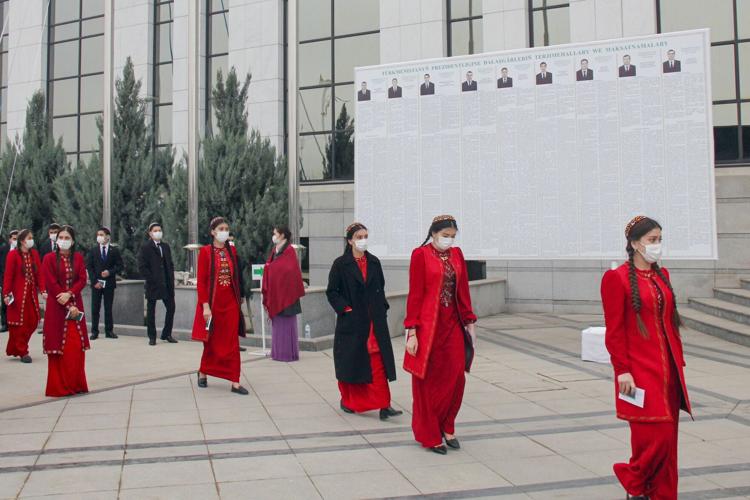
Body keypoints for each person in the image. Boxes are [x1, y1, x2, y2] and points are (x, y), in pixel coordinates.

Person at [601, 215, 692, 500]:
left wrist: (678, 362)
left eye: (659, 239)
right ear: (634, 243)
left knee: (669, 442)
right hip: (638, 372)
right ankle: (634, 480)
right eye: (652, 240)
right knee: (654, 438)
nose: (657, 245)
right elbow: (614, 331)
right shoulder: (615, 279)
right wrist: (622, 370)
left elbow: (669, 324)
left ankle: (662, 494)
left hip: (669, 371)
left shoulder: (662, 276)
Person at [404, 215, 476, 454]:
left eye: (453, 236)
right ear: (434, 234)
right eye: (445, 235)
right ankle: (430, 433)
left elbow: (463, 290)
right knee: (428, 382)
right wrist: (412, 331)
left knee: (456, 377)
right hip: (429, 327)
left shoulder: (457, 255)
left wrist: (469, 322)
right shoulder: (420, 255)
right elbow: (415, 294)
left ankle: (447, 425)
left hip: (453, 324)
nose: (449, 240)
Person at [327, 222, 402, 421]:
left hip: (375, 321)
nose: (363, 240)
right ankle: (349, 401)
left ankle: (384, 405)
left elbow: (381, 288)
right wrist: (346, 309)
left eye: (365, 236)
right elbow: (332, 292)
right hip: (352, 323)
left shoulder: (374, 262)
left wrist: (382, 307)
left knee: (378, 362)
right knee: (353, 364)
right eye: (359, 237)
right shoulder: (340, 264)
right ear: (350, 241)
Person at [192, 217, 248, 395]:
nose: (224, 231)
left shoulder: (232, 250)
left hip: (230, 303)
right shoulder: (205, 252)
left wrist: (241, 296)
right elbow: (201, 282)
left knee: (232, 342)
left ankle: (235, 381)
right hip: (213, 304)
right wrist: (205, 306)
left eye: (226, 228)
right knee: (211, 341)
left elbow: (237, 276)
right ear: (213, 232)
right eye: (221, 229)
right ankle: (203, 371)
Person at [42, 225, 89, 397]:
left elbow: (82, 279)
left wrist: (70, 294)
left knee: (75, 347)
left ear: (73, 241)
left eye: (67, 238)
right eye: (60, 237)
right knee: (58, 347)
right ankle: (59, 387)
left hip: (75, 306)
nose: (63, 240)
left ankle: (75, 384)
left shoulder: (78, 258)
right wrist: (67, 303)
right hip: (57, 308)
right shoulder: (48, 258)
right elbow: (51, 282)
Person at [262, 225, 305, 362]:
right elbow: (271, 266)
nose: (273, 236)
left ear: (282, 235)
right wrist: (269, 268)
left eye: (275, 233)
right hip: (276, 292)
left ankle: (287, 353)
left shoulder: (289, 250)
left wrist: (270, 268)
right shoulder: (275, 250)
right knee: (278, 325)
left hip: (288, 294)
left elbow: (289, 270)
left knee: (287, 324)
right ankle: (277, 352)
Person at [3, 229, 42, 363]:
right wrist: (6, 294)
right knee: (19, 324)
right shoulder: (13, 255)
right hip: (17, 295)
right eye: (29, 238)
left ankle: (17, 347)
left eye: (32, 237)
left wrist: (43, 289)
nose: (31, 240)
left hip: (31, 295)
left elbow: (39, 274)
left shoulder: (34, 254)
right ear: (21, 241)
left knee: (33, 321)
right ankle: (23, 351)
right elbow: (8, 276)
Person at [138, 222, 177, 345]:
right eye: (155, 231)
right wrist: (151, 278)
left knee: (171, 308)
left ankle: (167, 334)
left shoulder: (165, 246)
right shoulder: (145, 247)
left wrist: (171, 277)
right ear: (150, 233)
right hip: (153, 284)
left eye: (159, 230)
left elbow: (169, 263)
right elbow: (142, 266)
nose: (158, 232)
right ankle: (152, 336)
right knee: (151, 311)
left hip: (166, 283)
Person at [87, 226, 123, 340]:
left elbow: (120, 266)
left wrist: (110, 272)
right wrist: (94, 281)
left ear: (107, 237)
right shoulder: (93, 251)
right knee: (95, 308)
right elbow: (89, 267)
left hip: (109, 283)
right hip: (96, 284)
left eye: (101, 235)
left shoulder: (114, 250)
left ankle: (109, 331)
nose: (99, 237)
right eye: (98, 235)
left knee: (108, 308)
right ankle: (94, 331)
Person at [0, 229, 19, 332]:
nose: (16, 241)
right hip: (6, 280)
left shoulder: (23, 250)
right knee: (5, 302)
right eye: (14, 239)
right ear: (10, 239)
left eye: (18, 238)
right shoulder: (4, 249)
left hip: (19, 281)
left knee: (17, 302)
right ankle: (5, 324)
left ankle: (16, 322)